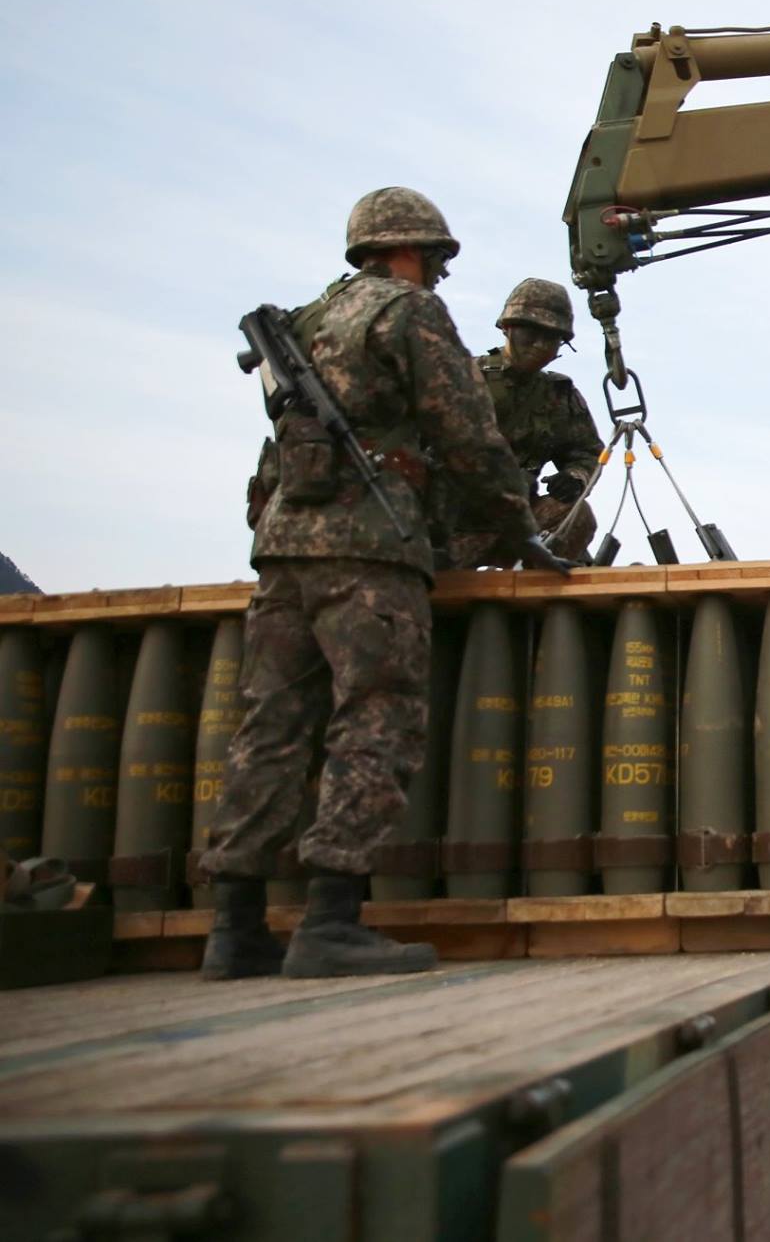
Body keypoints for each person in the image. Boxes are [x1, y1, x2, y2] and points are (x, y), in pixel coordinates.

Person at [201, 186, 559, 981]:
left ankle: (234, 930)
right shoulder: (408, 313)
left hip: (282, 548)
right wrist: (521, 531)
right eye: (434, 259)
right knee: (375, 720)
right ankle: (330, 920)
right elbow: (466, 432)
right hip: (370, 548)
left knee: (269, 726)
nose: (435, 273)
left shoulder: (305, 320)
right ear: (415, 251)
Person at [444, 278, 603, 567]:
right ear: (507, 328)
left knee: (576, 514)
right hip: (451, 527)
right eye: (532, 332)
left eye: (552, 337)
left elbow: (588, 453)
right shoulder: (460, 377)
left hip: (518, 526)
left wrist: (575, 478)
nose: (541, 344)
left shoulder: (558, 395)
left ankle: (534, 599)